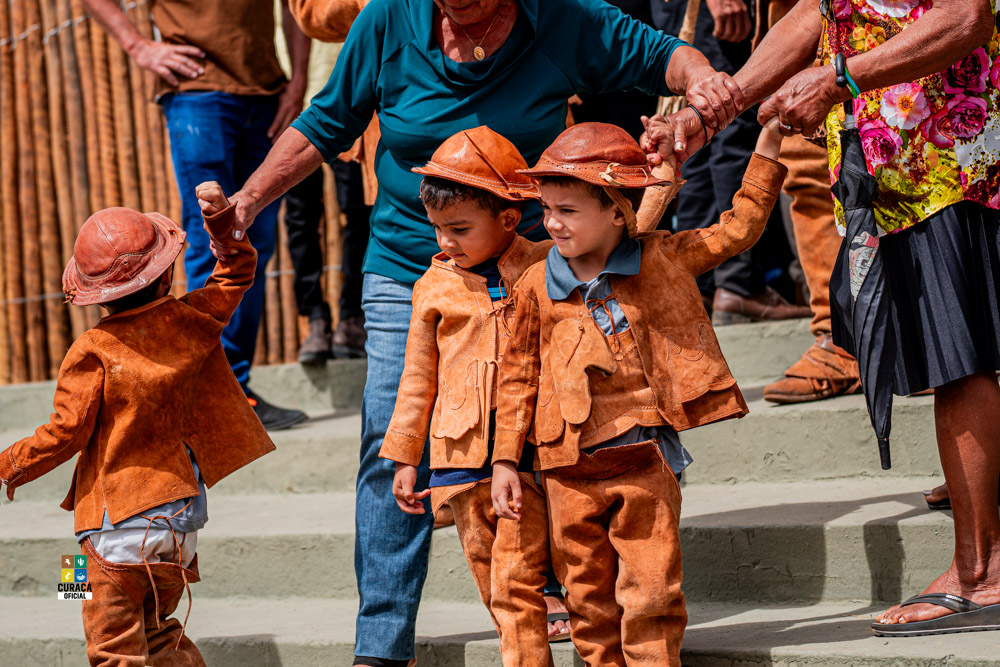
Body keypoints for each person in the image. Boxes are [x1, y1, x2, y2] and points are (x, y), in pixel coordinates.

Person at [227, 0, 744, 663]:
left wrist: (702, 80)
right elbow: (324, 122)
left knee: (538, 429)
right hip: (407, 270)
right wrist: (248, 201)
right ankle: (381, 643)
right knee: (392, 441)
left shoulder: (560, 17)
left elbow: (660, 55)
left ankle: (550, 591)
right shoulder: (388, 21)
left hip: (529, 270)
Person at [678, 0, 998, 636]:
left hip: (953, 153)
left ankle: (980, 574)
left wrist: (839, 78)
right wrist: (717, 107)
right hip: (897, 164)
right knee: (959, 353)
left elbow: (965, 15)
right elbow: (821, 10)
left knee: (960, 359)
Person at [490, 121, 787, 665]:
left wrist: (767, 144)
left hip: (644, 454)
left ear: (616, 212)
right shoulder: (533, 285)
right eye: (546, 209)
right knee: (587, 599)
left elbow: (739, 229)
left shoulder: (660, 258)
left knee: (651, 591)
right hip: (565, 465)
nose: (552, 223)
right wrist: (506, 459)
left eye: (568, 210)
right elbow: (516, 376)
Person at [0, 189, 275, 666]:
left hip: (110, 532)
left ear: (91, 293)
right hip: (180, 525)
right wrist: (223, 225)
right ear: (166, 273)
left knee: (111, 649)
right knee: (161, 633)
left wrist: (8, 465)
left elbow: (64, 434)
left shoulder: (91, 348)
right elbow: (236, 272)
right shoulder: (192, 319)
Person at [81, 0, 310, 429]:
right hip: (197, 91)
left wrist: (298, 81)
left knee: (253, 244)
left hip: (267, 91)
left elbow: (295, 6)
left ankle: (234, 388)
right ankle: (210, 393)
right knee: (211, 237)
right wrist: (138, 46)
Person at [379, 126, 554, 664]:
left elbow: (627, 235)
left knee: (516, 579)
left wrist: (661, 175)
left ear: (509, 219)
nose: (445, 242)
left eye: (459, 229)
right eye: (437, 228)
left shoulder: (546, 264)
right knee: (493, 582)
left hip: (528, 453)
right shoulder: (432, 288)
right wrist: (405, 458)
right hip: (458, 461)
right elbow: (417, 380)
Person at [651, 0, 811, 325]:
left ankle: (700, 286)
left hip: (681, 10)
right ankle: (737, 284)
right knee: (727, 121)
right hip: (702, 10)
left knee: (701, 135)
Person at [285, 161, 371, 363]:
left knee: (359, 208)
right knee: (300, 215)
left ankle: (351, 319)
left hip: (349, 140)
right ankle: (316, 320)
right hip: (292, 139)